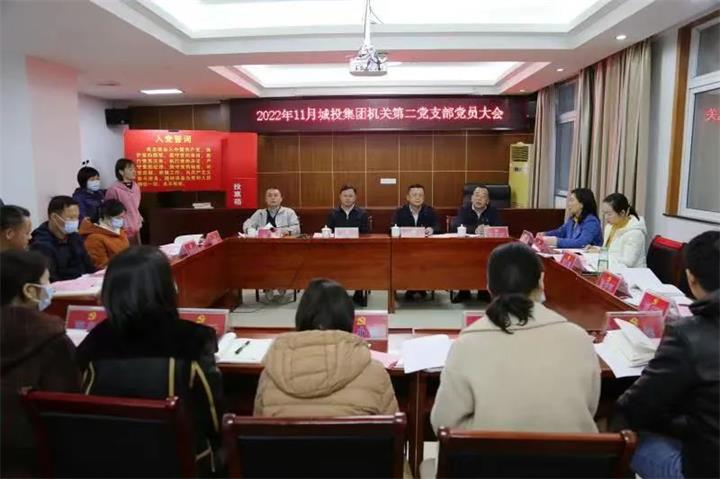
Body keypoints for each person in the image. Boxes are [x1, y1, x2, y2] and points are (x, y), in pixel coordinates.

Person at [75, 246, 224, 475]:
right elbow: (213, 417)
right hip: (180, 462)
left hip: (109, 462)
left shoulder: (94, 341)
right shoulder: (192, 338)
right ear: (165, 288)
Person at [430, 243, 600, 441]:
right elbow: (590, 408)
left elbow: (443, 424)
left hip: (490, 459)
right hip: (570, 459)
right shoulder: (579, 339)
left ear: (489, 287)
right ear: (541, 281)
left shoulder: (466, 344)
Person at [613, 230, 719, 479]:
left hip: (703, 470)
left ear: (691, 278)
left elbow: (636, 408)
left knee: (620, 435)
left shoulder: (689, 334)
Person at [254, 278, 398, 417]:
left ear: (301, 316)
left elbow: (258, 429)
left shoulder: (270, 376)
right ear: (348, 318)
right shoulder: (375, 374)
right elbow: (394, 429)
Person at [1, 250, 81, 477]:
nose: (50, 289)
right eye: (46, 282)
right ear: (29, 291)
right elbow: (70, 405)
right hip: (36, 456)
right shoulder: (50, 337)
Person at [451, 185, 501, 303]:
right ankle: (464, 292)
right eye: (477, 195)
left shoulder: (493, 212)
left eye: (483, 196)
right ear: (471, 198)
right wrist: (475, 229)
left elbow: (500, 227)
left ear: (487, 201)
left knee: (489, 259)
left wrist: (488, 229)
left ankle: (483, 291)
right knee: (463, 259)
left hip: (487, 249)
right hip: (466, 248)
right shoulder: (464, 210)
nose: (479, 199)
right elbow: (456, 226)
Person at [30, 196, 95, 282]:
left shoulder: (75, 237)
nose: (75, 221)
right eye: (71, 218)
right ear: (54, 217)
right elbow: (51, 279)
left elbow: (89, 266)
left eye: (77, 217)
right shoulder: (41, 244)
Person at [392, 184, 439, 301]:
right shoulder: (399, 212)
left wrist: (432, 229)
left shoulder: (430, 211)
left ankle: (419, 286)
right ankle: (411, 287)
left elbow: (438, 226)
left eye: (420, 195)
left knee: (424, 260)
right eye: (414, 195)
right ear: (408, 197)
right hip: (405, 249)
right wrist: (399, 231)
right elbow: (391, 227)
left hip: (426, 249)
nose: (418, 197)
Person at [327, 185, 370, 306]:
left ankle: (359, 291)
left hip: (357, 250)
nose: (347, 198)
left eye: (350, 196)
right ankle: (336, 293)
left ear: (355, 197)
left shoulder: (362, 213)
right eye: (345, 195)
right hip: (337, 250)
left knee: (361, 263)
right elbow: (329, 231)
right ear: (340, 197)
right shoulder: (333, 213)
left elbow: (366, 233)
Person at [593, 193, 647, 268]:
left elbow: (628, 262)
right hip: (612, 268)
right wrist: (597, 249)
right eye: (604, 213)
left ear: (622, 213)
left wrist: (601, 253)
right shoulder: (610, 227)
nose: (606, 217)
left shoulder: (635, 233)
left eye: (609, 214)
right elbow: (609, 251)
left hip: (630, 272)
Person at [79, 199, 130, 269]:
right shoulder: (94, 238)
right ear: (106, 216)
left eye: (123, 217)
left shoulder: (118, 230)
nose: (122, 220)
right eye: (118, 218)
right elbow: (101, 266)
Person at [104, 158, 142, 244]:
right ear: (121, 172)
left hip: (136, 226)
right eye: (130, 169)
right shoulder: (113, 189)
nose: (134, 171)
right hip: (121, 227)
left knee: (136, 249)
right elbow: (109, 210)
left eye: (134, 169)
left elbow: (136, 207)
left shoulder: (136, 187)